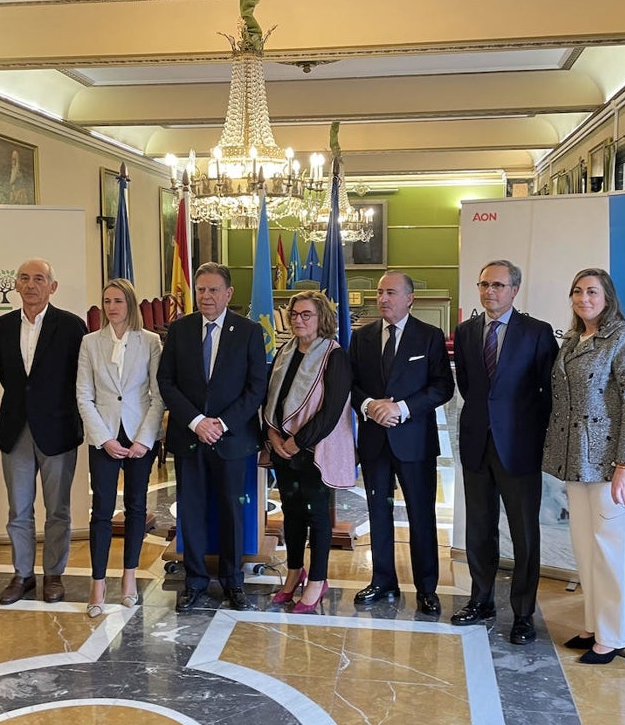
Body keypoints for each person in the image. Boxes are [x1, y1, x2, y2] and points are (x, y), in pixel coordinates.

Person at [543, 268, 625, 664]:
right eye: (577, 291)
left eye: (592, 291)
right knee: (587, 550)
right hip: (577, 462)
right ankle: (595, 626)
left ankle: (616, 636)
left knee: (612, 552)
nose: (583, 297)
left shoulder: (624, 340)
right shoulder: (572, 340)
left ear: (608, 297)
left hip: (613, 464)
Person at [451, 260, 557, 642]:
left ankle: (524, 614)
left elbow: (549, 392)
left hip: (520, 447)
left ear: (515, 290)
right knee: (479, 529)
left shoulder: (538, 332)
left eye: (498, 285)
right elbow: (468, 385)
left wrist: (532, 433)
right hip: (478, 443)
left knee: (524, 534)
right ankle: (481, 600)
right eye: (484, 284)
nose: (489, 292)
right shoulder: (465, 332)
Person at [157, 262, 268, 612]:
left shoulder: (249, 331)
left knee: (233, 514)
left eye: (213, 290)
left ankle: (234, 582)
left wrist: (220, 423)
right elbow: (166, 382)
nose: (206, 296)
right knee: (190, 511)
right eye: (201, 290)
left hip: (232, 439)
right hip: (190, 437)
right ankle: (195, 582)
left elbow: (256, 388)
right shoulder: (179, 330)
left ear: (228, 294)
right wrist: (196, 422)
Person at [350, 271, 454, 616]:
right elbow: (350, 386)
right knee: (378, 512)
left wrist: (402, 408)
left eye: (391, 293)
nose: (383, 299)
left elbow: (443, 387)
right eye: (379, 292)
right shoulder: (361, 338)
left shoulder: (429, 337)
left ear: (410, 298)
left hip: (414, 442)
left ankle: (427, 588)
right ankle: (383, 581)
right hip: (374, 440)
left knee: (420, 515)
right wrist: (369, 407)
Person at [0, 258, 88, 605]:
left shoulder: (73, 326)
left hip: (58, 429)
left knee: (57, 510)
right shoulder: (0, 327)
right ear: (15, 285)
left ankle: (53, 575)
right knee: (18, 509)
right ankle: (22, 575)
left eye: (39, 279)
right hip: (15, 428)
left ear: (52, 286)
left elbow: (80, 380)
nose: (31, 285)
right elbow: (6, 377)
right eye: (25, 278)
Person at [76, 278, 165, 616]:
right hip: (104, 436)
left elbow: (157, 396)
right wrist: (104, 439)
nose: (111, 307)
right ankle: (97, 584)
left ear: (130, 304)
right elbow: (83, 395)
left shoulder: (151, 342)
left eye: (118, 301)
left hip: (139, 435)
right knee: (100, 512)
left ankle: (129, 578)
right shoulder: (89, 343)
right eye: (106, 301)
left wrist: (144, 439)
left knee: (136, 509)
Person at [263, 290, 354, 614]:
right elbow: (270, 397)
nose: (299, 320)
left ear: (322, 319)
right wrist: (273, 434)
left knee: (317, 517)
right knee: (291, 513)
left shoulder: (334, 354)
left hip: (314, 449)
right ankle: (293, 573)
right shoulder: (285, 351)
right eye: (295, 315)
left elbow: (332, 411)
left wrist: (298, 442)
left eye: (307, 315)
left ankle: (317, 580)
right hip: (282, 448)